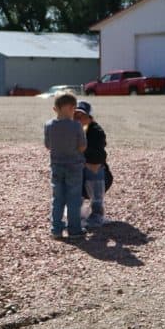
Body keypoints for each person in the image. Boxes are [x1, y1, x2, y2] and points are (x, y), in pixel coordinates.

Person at [44, 91, 87, 240]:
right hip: (74, 165)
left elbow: (48, 145)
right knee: (73, 199)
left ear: (55, 108)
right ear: (70, 107)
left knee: (58, 198)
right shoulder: (76, 126)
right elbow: (82, 146)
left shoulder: (49, 125)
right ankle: (74, 230)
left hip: (56, 165)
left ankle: (56, 229)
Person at [73, 99, 113, 229]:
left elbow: (99, 157)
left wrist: (81, 150)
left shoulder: (96, 132)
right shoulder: (67, 130)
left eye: (82, 115)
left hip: (98, 178)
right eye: (75, 115)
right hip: (76, 177)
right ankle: (74, 212)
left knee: (94, 166)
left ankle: (97, 213)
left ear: (90, 118)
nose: (78, 119)